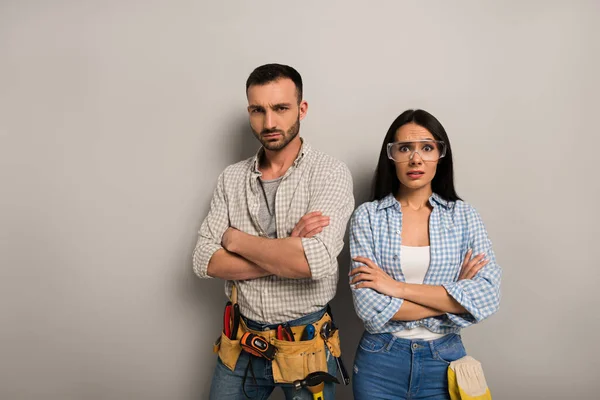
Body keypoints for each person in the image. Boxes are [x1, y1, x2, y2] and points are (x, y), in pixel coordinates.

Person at [193, 63, 354, 400]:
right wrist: (287, 249)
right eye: (258, 110)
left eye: (281, 108)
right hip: (241, 343)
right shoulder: (231, 178)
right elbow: (204, 260)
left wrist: (236, 241)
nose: (269, 123)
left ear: (302, 109)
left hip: (305, 344)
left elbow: (315, 263)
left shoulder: (329, 173)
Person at [348, 109, 502, 400]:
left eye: (427, 148)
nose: (415, 159)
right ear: (391, 156)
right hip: (380, 362)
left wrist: (395, 288)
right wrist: (456, 300)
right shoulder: (367, 217)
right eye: (404, 148)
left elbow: (487, 297)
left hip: (445, 361)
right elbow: (369, 308)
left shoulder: (464, 217)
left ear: (440, 156)